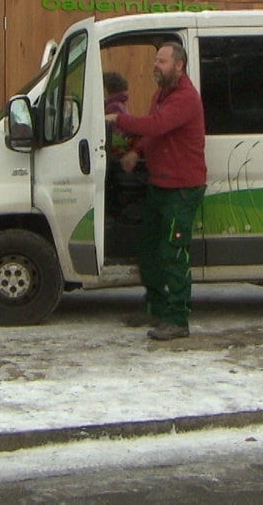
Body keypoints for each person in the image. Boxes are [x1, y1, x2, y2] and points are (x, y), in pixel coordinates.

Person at [104, 43, 206, 341]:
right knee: (148, 250)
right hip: (160, 184)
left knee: (173, 254)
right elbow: (153, 133)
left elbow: (158, 125)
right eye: (155, 60)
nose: (156, 65)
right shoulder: (161, 94)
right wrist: (135, 152)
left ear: (179, 66)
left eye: (162, 61)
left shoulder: (185, 98)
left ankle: (177, 319)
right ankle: (155, 306)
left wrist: (117, 120)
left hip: (182, 189)